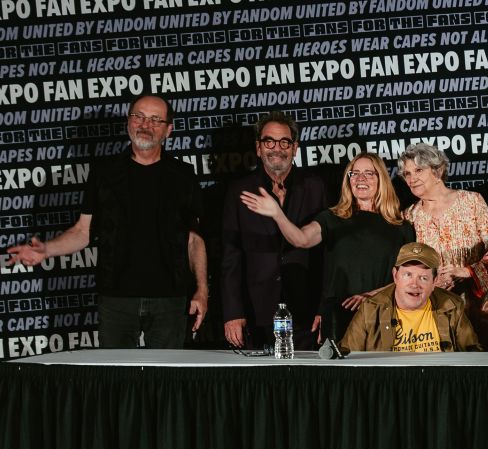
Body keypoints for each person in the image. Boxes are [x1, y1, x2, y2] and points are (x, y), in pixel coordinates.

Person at [5, 94, 207, 348]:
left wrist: (202, 289)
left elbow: (194, 239)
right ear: (128, 122)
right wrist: (46, 250)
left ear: (169, 129)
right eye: (139, 116)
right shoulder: (105, 172)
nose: (145, 125)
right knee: (115, 381)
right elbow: (83, 231)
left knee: (167, 383)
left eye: (156, 119)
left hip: (169, 299)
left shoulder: (183, 176)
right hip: (116, 299)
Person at [240, 152, 413, 343]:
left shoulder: (401, 228)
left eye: (369, 173)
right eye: (354, 174)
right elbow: (301, 239)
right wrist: (277, 214)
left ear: (382, 179)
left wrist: (373, 296)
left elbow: (410, 279)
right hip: (340, 316)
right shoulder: (331, 219)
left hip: (385, 315)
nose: (360, 179)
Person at [220, 112, 326, 349]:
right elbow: (231, 256)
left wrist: (323, 307)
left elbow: (326, 254)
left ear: (295, 147)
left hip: (306, 311)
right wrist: (233, 312)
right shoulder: (240, 191)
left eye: (284, 142)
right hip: (256, 310)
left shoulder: (315, 187)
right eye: (269, 141)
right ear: (258, 148)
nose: (276, 148)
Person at [399, 142, 488, 347]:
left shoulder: (472, 201)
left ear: (438, 170)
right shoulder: (409, 216)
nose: (411, 179)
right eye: (407, 174)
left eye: (418, 170)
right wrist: (430, 284)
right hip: (433, 311)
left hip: (477, 309)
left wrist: (466, 272)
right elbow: (408, 267)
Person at [338, 242, 482, 353]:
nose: (415, 284)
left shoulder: (452, 306)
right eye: (408, 275)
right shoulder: (370, 309)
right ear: (395, 276)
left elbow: (474, 355)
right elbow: (347, 359)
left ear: (434, 282)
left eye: (423, 278)